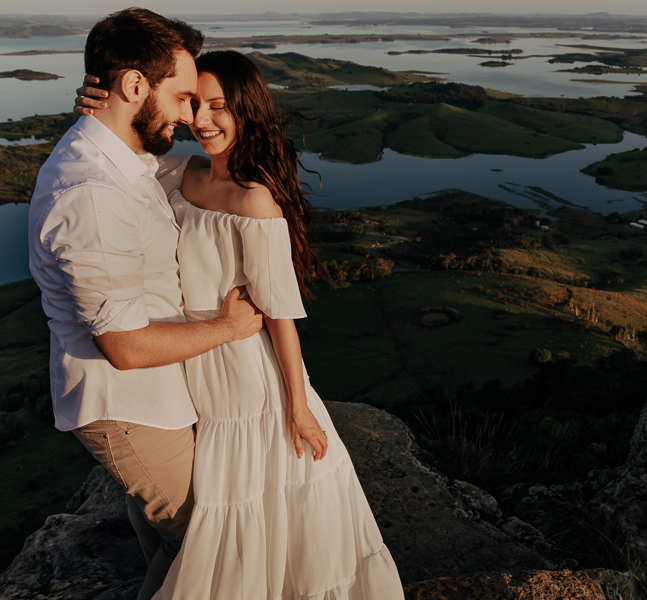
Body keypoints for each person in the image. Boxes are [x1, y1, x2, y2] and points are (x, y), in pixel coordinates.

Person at [79, 50, 404, 599]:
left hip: (246, 378)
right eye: (195, 104)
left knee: (233, 510)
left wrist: (297, 407)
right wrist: (98, 110)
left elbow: (280, 316)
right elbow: (119, 159)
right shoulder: (183, 174)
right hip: (195, 359)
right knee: (191, 511)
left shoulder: (256, 202)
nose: (202, 120)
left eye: (219, 106)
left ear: (247, 111)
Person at [28, 9, 264, 600]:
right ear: (136, 87)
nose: (188, 115)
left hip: (156, 397)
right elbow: (126, 347)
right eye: (182, 97)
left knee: (169, 542)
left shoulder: (118, 160)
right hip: (129, 405)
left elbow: (171, 171)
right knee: (208, 543)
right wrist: (231, 327)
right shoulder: (91, 193)